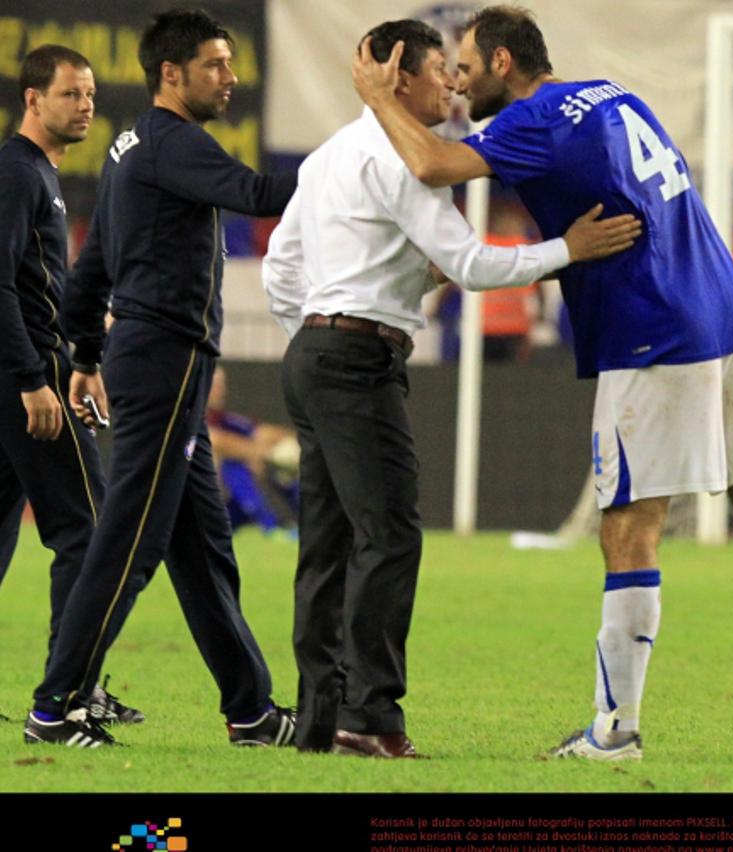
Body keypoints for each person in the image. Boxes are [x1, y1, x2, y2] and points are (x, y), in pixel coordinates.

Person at [353, 5, 733, 763]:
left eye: (471, 68)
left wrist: (376, 96)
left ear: (505, 64)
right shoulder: (613, 93)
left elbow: (432, 166)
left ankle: (614, 732)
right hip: (726, 311)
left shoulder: (531, 119)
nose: (462, 84)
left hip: (653, 328)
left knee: (627, 527)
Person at [264, 19, 640, 758]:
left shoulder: (331, 154)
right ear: (399, 76)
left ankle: (318, 719)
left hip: (314, 353)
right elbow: (471, 265)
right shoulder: (403, 159)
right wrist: (570, 249)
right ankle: (368, 719)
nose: (455, 86)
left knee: (328, 544)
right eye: (442, 70)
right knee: (391, 536)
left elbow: (282, 268)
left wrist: (319, 333)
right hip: (355, 364)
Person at [26, 9, 298, 748]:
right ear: (171, 74)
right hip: (166, 360)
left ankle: (251, 711)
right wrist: (354, 162)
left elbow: (92, 266)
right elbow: (258, 193)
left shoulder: (126, 148)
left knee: (204, 547)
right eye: (215, 64)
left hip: (146, 359)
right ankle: (57, 705)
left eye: (231, 63)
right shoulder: (175, 143)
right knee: (131, 539)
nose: (230, 77)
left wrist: (84, 356)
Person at [0, 45, 142, 727]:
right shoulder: (20, 175)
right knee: (91, 530)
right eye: (71, 93)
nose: (86, 106)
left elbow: (28, 283)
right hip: (17, 372)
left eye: (91, 94)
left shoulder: (26, 172)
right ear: (33, 100)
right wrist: (32, 378)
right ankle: (73, 691)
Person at [206, 366, 300, 532]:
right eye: (215, 386)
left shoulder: (223, 419)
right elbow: (216, 441)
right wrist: (265, 454)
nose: (221, 391)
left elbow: (263, 432)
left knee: (283, 468)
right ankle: (266, 525)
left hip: (229, 504)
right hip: (204, 501)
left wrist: (289, 446)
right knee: (234, 465)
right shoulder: (189, 418)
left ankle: (300, 521)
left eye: (222, 385)